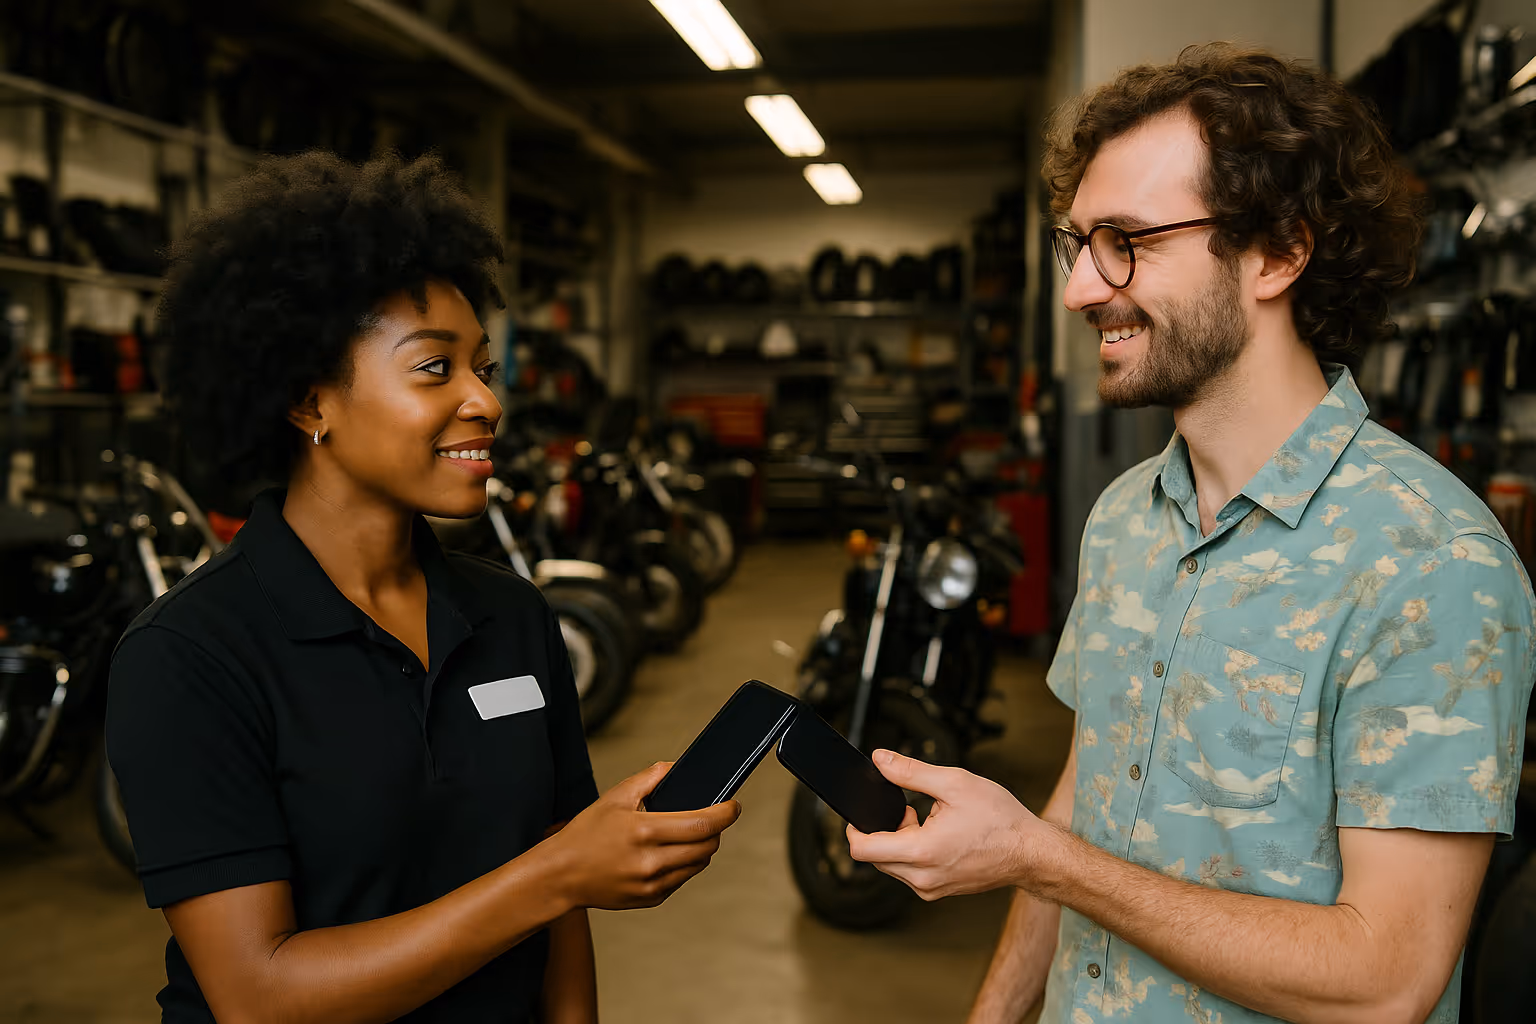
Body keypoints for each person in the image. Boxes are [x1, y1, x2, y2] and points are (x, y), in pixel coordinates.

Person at [848, 43, 1536, 1024]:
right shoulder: (1127, 516)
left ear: (1279, 252)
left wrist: (1040, 859)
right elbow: (1082, 801)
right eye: (1077, 244)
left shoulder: (1430, 564)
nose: (1084, 287)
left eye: (1126, 239)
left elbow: (1388, 979)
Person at [105, 152, 739, 1024]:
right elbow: (259, 995)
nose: (486, 402)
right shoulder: (189, 657)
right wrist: (556, 873)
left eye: (484, 367)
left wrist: (572, 873)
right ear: (308, 400)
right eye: (436, 369)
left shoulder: (512, 616)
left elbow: (562, 920)